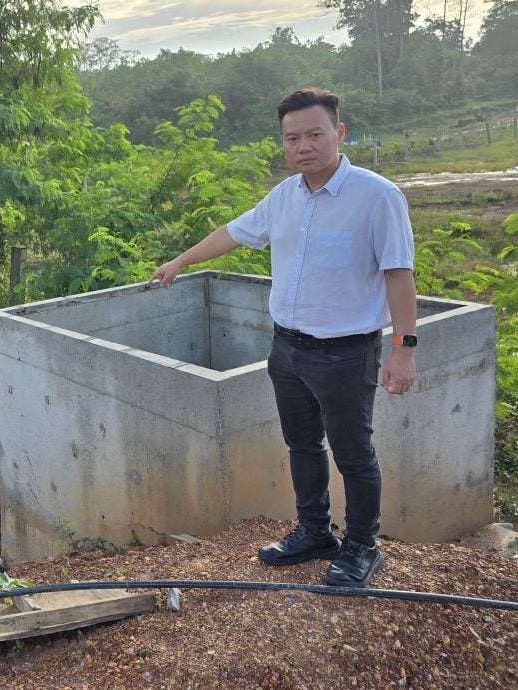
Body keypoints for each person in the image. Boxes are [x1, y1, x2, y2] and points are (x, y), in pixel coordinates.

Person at [148, 87, 417, 588]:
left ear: (338, 133)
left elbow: (399, 275)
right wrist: (181, 260)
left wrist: (403, 350)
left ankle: (362, 546)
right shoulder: (283, 197)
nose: (303, 146)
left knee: (353, 453)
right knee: (302, 445)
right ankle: (315, 532)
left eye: (314, 134)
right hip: (287, 349)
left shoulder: (377, 196)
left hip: (345, 353)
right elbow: (233, 231)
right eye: (292, 138)